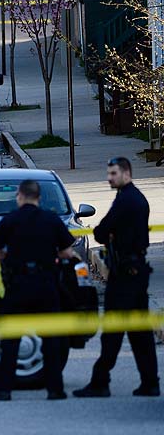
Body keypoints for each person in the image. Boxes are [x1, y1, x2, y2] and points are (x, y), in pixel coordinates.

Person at [73, 157, 160, 398]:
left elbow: (101, 231)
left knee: (113, 333)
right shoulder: (135, 198)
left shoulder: (126, 201)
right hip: (135, 273)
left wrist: (109, 234)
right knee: (140, 334)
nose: (109, 178)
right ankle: (150, 382)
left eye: (113, 173)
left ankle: (100, 382)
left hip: (124, 278)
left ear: (126, 173)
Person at [0, 180, 75, 401]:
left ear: (20, 196)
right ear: (39, 197)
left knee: (11, 340)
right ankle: (55, 390)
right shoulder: (51, 219)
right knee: (51, 340)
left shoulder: (10, 220)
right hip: (46, 284)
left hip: (18, 285)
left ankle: (3, 389)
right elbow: (66, 253)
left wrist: (11, 258)